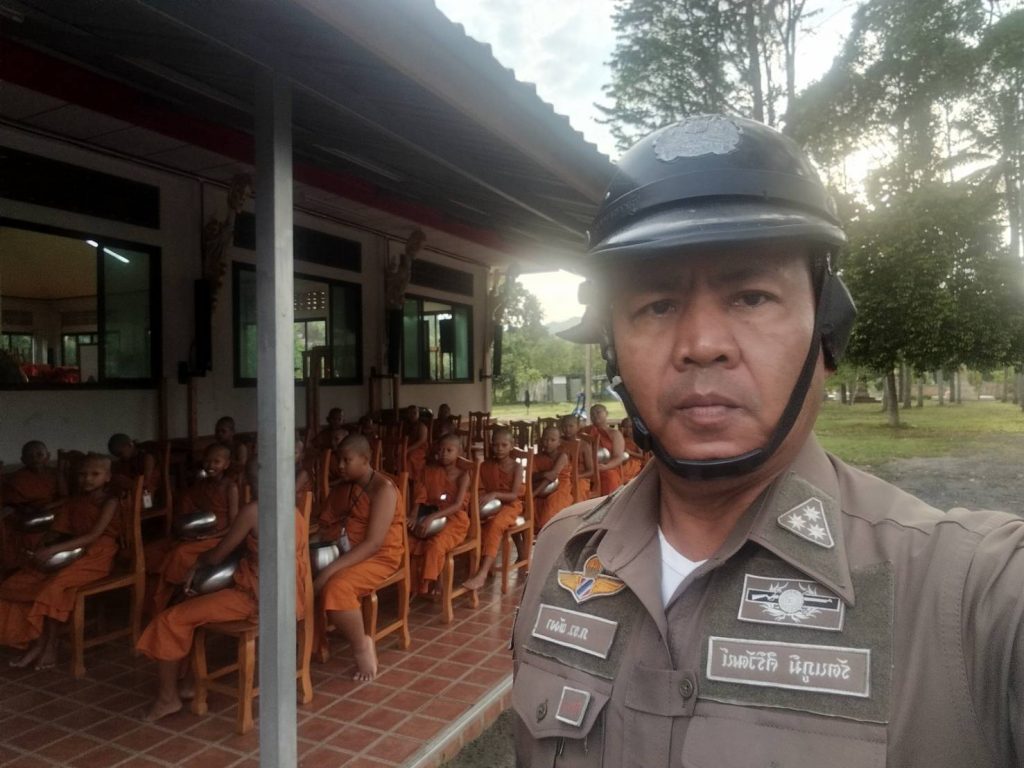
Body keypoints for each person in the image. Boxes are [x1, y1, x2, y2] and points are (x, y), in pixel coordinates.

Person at [512, 115, 1023, 767]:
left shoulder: (969, 593)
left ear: (828, 332)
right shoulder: (561, 551)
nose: (702, 344)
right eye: (657, 305)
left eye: (751, 297)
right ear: (614, 351)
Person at [137, 491, 308, 721]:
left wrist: (198, 563)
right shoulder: (292, 507)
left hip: (258, 598)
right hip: (289, 593)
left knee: (169, 620)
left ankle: (168, 699)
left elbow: (216, 557)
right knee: (193, 606)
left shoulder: (254, 510)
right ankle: (189, 683)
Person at [0, 454, 119, 670]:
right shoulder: (75, 500)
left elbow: (93, 535)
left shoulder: (110, 502)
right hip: (70, 548)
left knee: (52, 587)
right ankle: (35, 640)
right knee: (18, 582)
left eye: (95, 474)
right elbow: (56, 530)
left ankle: (50, 644)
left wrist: (53, 550)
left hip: (97, 555)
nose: (87, 479)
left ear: (108, 477)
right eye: (82, 474)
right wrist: (40, 549)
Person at [315, 435, 404, 681]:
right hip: (347, 552)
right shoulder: (345, 487)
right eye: (339, 460)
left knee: (336, 586)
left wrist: (329, 570)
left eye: (347, 460)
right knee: (302, 574)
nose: (340, 466)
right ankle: (315, 643)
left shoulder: (383, 490)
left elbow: (373, 544)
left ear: (365, 459)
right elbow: (326, 522)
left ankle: (361, 645)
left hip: (380, 557)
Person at [150, 443, 239, 614]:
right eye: (207, 461)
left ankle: (173, 598)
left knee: (180, 552)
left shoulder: (231, 487)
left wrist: (210, 536)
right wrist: (193, 531)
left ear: (226, 464)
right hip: (202, 532)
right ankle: (161, 598)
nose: (210, 465)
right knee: (158, 549)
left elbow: (234, 525)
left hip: (221, 537)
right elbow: (195, 509)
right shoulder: (202, 484)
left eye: (216, 462)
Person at [409, 433, 469, 596]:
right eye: (441, 450)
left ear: (459, 452)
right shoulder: (429, 471)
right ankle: (414, 584)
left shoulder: (463, 475)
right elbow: (420, 495)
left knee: (436, 543)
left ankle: (428, 582)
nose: (444, 454)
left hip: (455, 519)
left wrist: (431, 518)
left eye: (449, 450)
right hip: (432, 513)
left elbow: (457, 505)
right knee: (411, 540)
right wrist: (414, 516)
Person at [462, 428, 522, 591]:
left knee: (495, 525)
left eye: (504, 445)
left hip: (510, 505)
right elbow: (479, 488)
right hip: (491, 505)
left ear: (512, 445)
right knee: (474, 521)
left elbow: (514, 495)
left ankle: (482, 574)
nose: (499, 449)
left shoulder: (516, 467)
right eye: (496, 445)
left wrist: (495, 494)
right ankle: (477, 566)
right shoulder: (485, 466)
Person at [1, 441, 61, 573]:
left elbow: (66, 498)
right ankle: (12, 566)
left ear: (47, 456)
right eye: (29, 456)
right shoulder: (17, 478)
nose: (35, 459)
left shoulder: (55, 474)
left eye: (39, 454)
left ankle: (30, 564)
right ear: (23, 460)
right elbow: (10, 501)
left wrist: (49, 506)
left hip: (48, 513)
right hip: (23, 513)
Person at [531, 426, 573, 531]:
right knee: (530, 505)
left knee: (550, 506)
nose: (548, 443)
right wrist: (543, 474)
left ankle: (548, 530)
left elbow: (552, 477)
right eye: (545, 440)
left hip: (560, 489)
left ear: (559, 442)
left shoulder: (562, 456)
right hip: (540, 489)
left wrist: (534, 494)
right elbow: (532, 476)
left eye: (552, 440)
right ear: (541, 440)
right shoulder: (536, 457)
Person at [584, 403, 625, 495]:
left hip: (606, 468)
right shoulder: (585, 431)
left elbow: (619, 457)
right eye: (592, 413)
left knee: (610, 476)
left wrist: (606, 466)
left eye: (598, 412)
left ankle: (609, 502)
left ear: (606, 413)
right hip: (588, 467)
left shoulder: (614, 434)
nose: (595, 415)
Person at [107, 433, 160, 502]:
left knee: (144, 496)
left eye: (120, 454)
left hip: (147, 494)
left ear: (130, 445)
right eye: (116, 456)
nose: (120, 457)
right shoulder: (125, 461)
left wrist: (128, 482)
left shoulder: (147, 457)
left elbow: (146, 482)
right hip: (132, 491)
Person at [559, 414, 593, 501]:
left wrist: (576, 476)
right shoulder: (558, 442)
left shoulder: (584, 446)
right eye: (564, 426)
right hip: (562, 477)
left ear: (578, 427)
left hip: (579, 478)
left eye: (571, 426)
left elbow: (591, 471)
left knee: (577, 491)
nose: (567, 429)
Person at [401, 404, 429, 484]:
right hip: (407, 446)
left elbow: (421, 441)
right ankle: (400, 476)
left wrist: (408, 449)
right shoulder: (406, 425)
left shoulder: (422, 426)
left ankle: (413, 479)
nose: (412, 415)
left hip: (419, 448)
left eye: (414, 413)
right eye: (410, 413)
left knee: (411, 457)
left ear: (418, 414)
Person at [619, 417, 645, 483]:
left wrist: (630, 452)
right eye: (625, 427)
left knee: (624, 469)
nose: (628, 429)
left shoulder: (636, 439)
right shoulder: (620, 438)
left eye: (630, 427)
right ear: (621, 428)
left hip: (634, 462)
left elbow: (642, 456)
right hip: (621, 461)